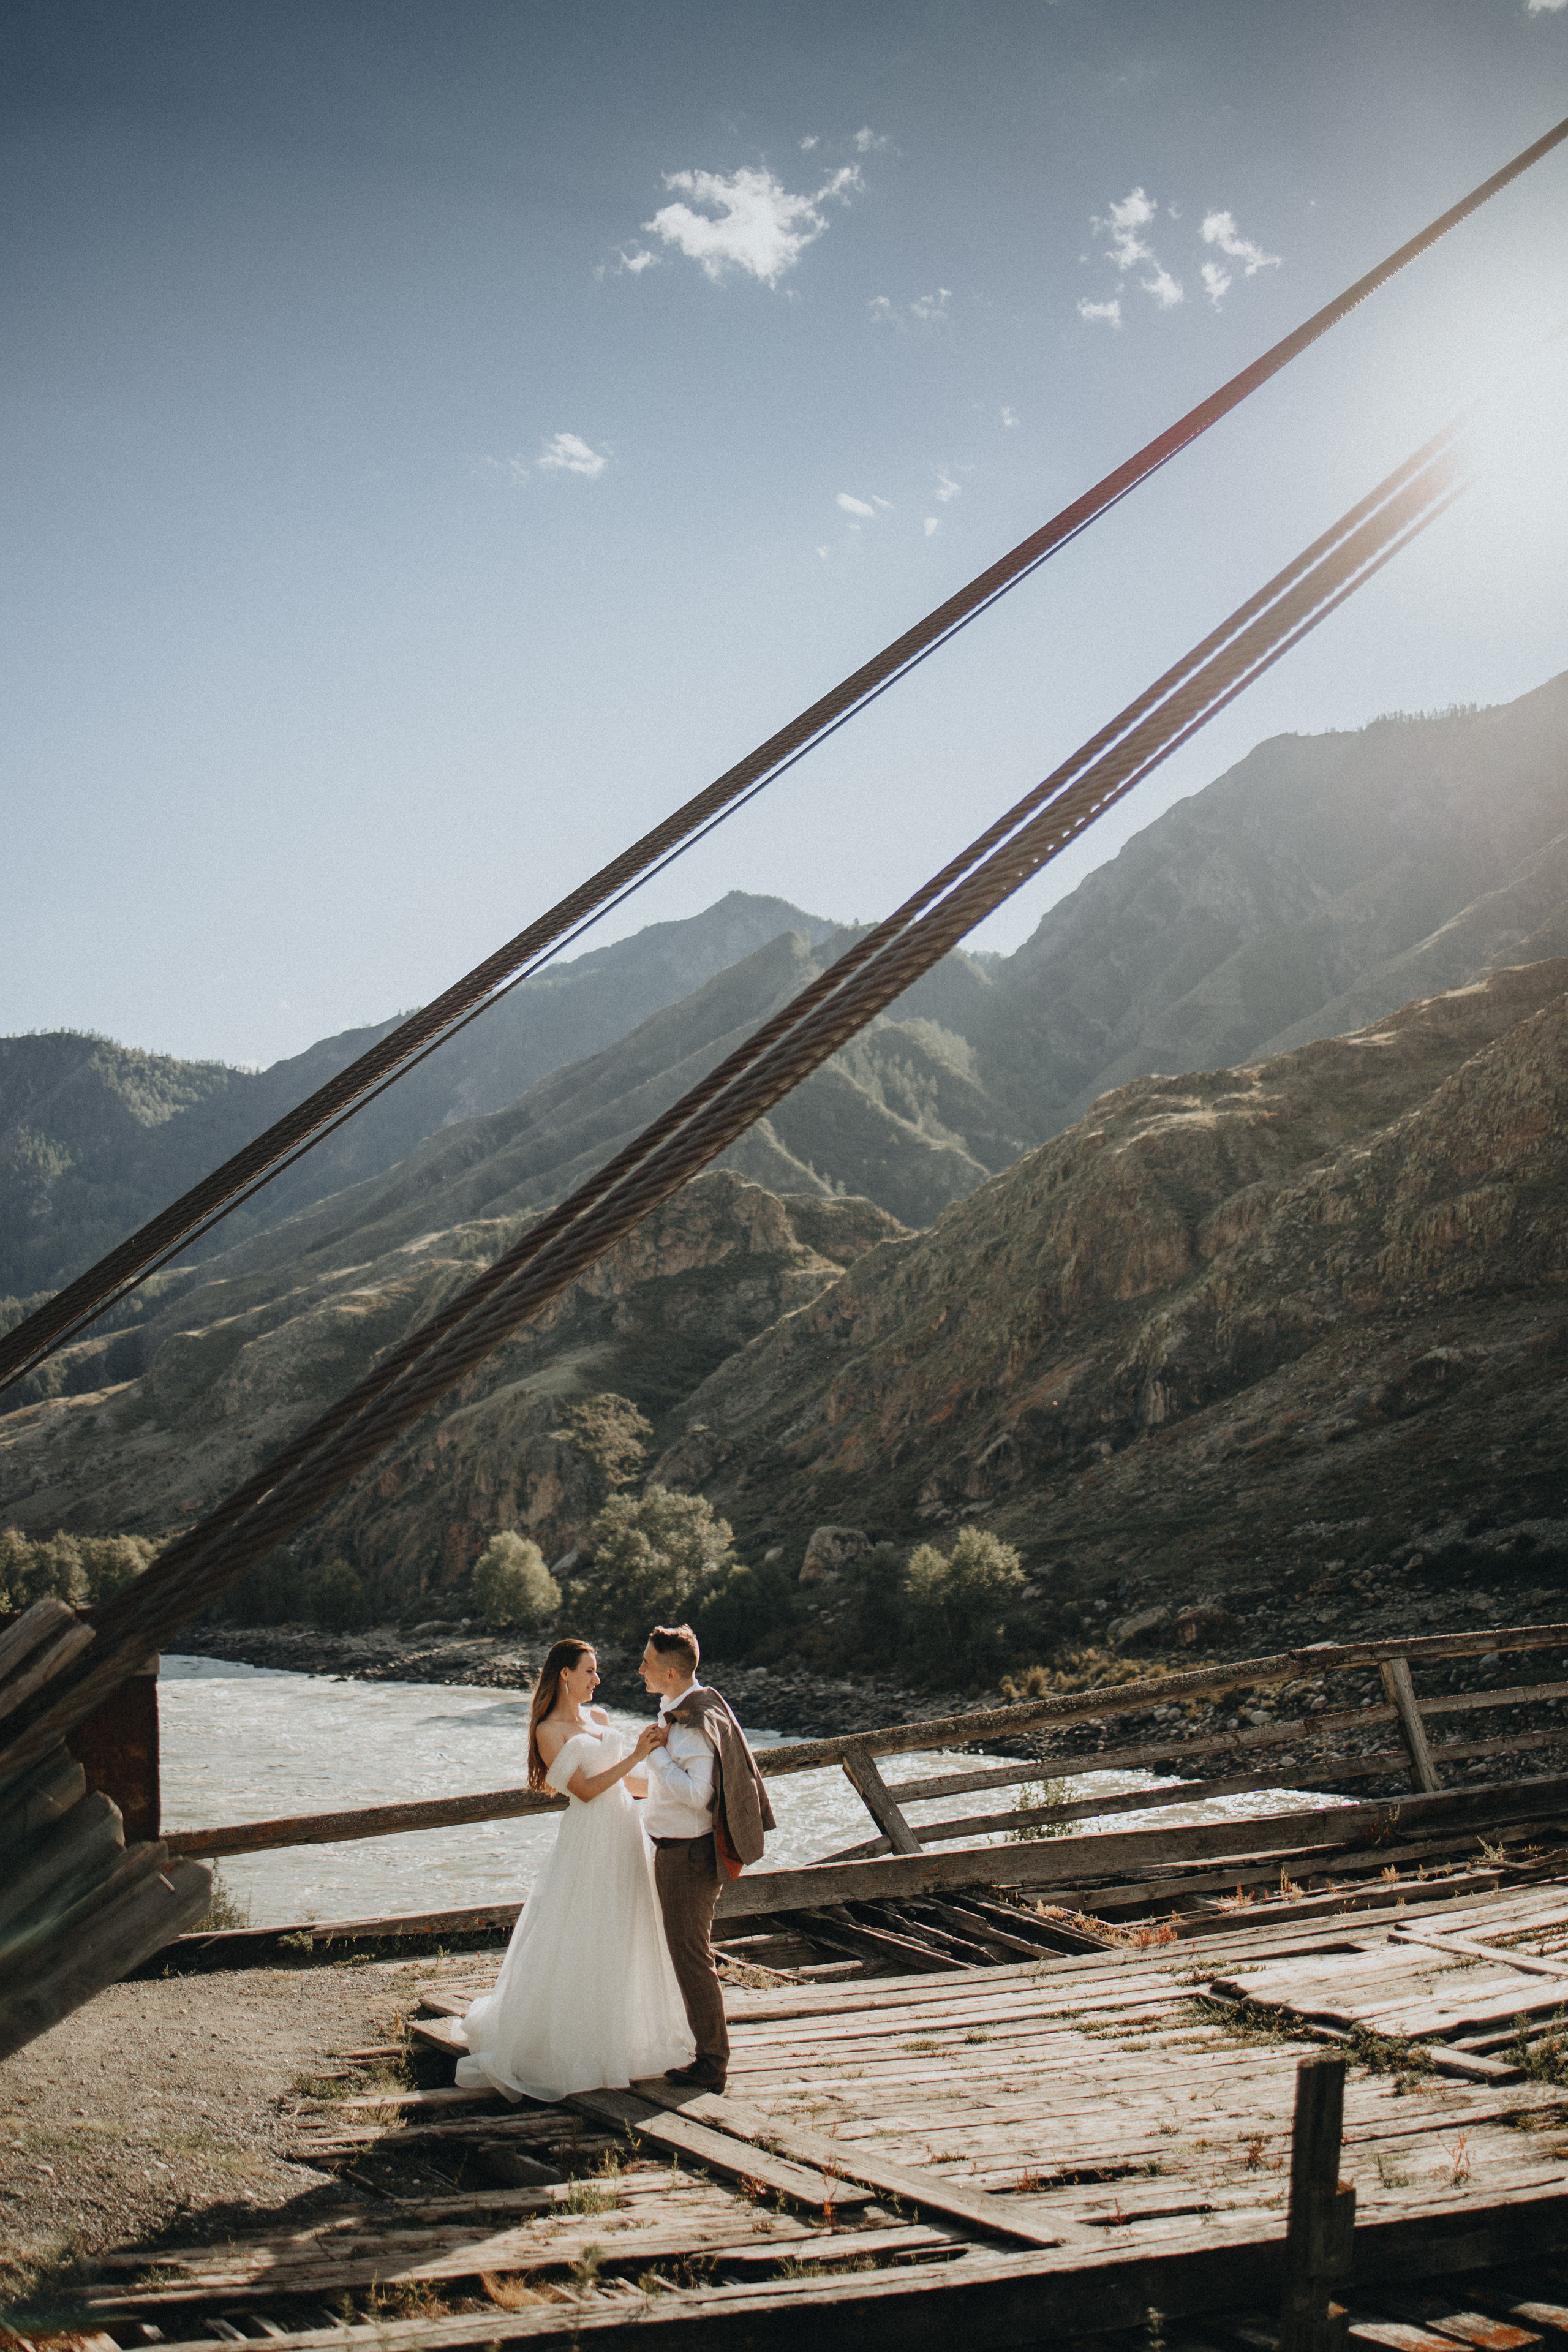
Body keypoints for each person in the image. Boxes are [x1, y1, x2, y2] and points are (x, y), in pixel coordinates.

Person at [454, 1637, 695, 2101]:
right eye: (589, 1671)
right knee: (584, 1929)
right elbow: (584, 1791)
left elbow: (629, 1784)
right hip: (589, 1837)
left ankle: (622, 2035)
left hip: (625, 1830)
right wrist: (637, 1754)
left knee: (627, 1927)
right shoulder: (548, 1730)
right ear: (565, 1674)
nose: (597, 1680)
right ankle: (574, 2044)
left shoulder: (600, 1719)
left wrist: (678, 1780)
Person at [638, 1622, 775, 2094]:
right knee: (690, 1953)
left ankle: (712, 2062)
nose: (641, 1670)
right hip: (680, 1852)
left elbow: (700, 1796)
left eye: (648, 1664)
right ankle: (705, 2053)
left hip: (688, 1858)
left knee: (691, 1957)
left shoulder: (692, 1726)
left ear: (671, 1672)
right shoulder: (690, 1707)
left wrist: (653, 1756)